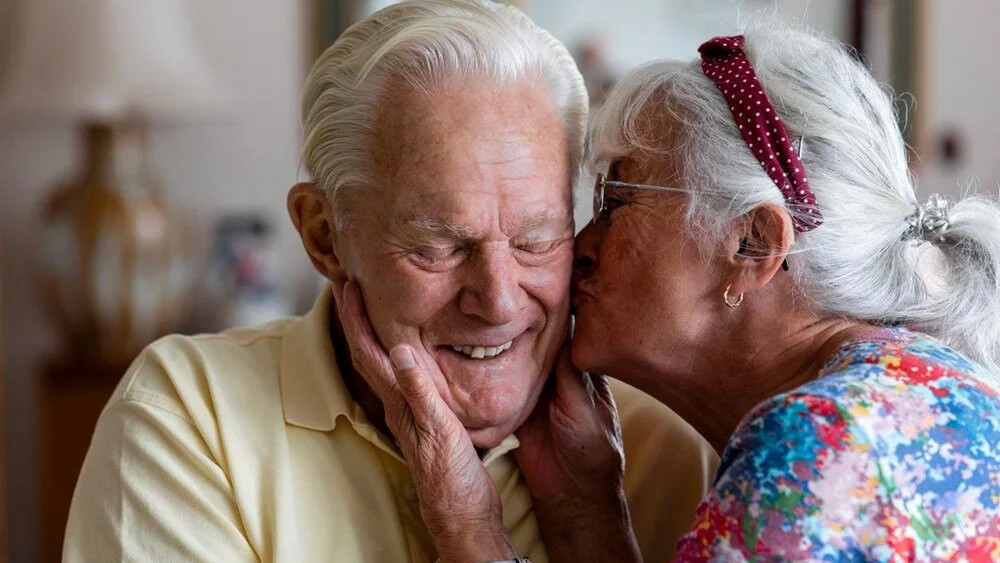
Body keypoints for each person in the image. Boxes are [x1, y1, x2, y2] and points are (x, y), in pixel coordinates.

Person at [62, 1, 717, 561]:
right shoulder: (188, 418)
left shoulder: (662, 447)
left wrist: (587, 528)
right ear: (323, 234)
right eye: (439, 245)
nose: (498, 298)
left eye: (535, 239)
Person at [340, 24, 1000, 562]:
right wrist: (585, 513)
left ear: (752, 244)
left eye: (618, 197)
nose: (583, 244)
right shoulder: (915, 392)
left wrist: (468, 524)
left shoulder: (818, 441)